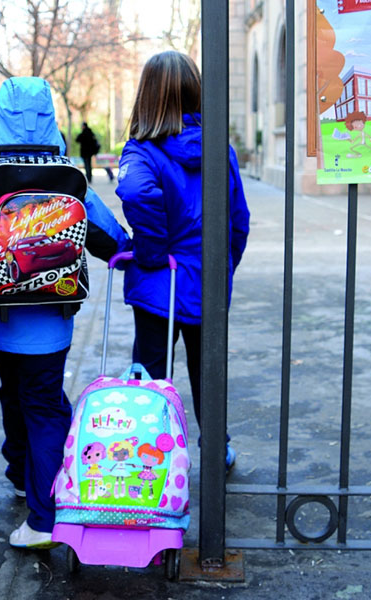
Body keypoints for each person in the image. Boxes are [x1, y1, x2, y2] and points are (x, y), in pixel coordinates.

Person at [0, 77, 128, 549]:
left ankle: (41, 513)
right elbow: (111, 239)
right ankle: (34, 484)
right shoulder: (68, 176)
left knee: (17, 394)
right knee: (42, 402)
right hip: (53, 321)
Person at [115, 50, 250, 473]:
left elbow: (137, 193)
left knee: (153, 374)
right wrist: (223, 265)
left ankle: (148, 453)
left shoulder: (141, 151)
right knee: (208, 373)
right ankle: (217, 448)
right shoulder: (219, 150)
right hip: (206, 279)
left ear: (147, 96)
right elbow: (238, 221)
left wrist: (152, 253)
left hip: (160, 283)